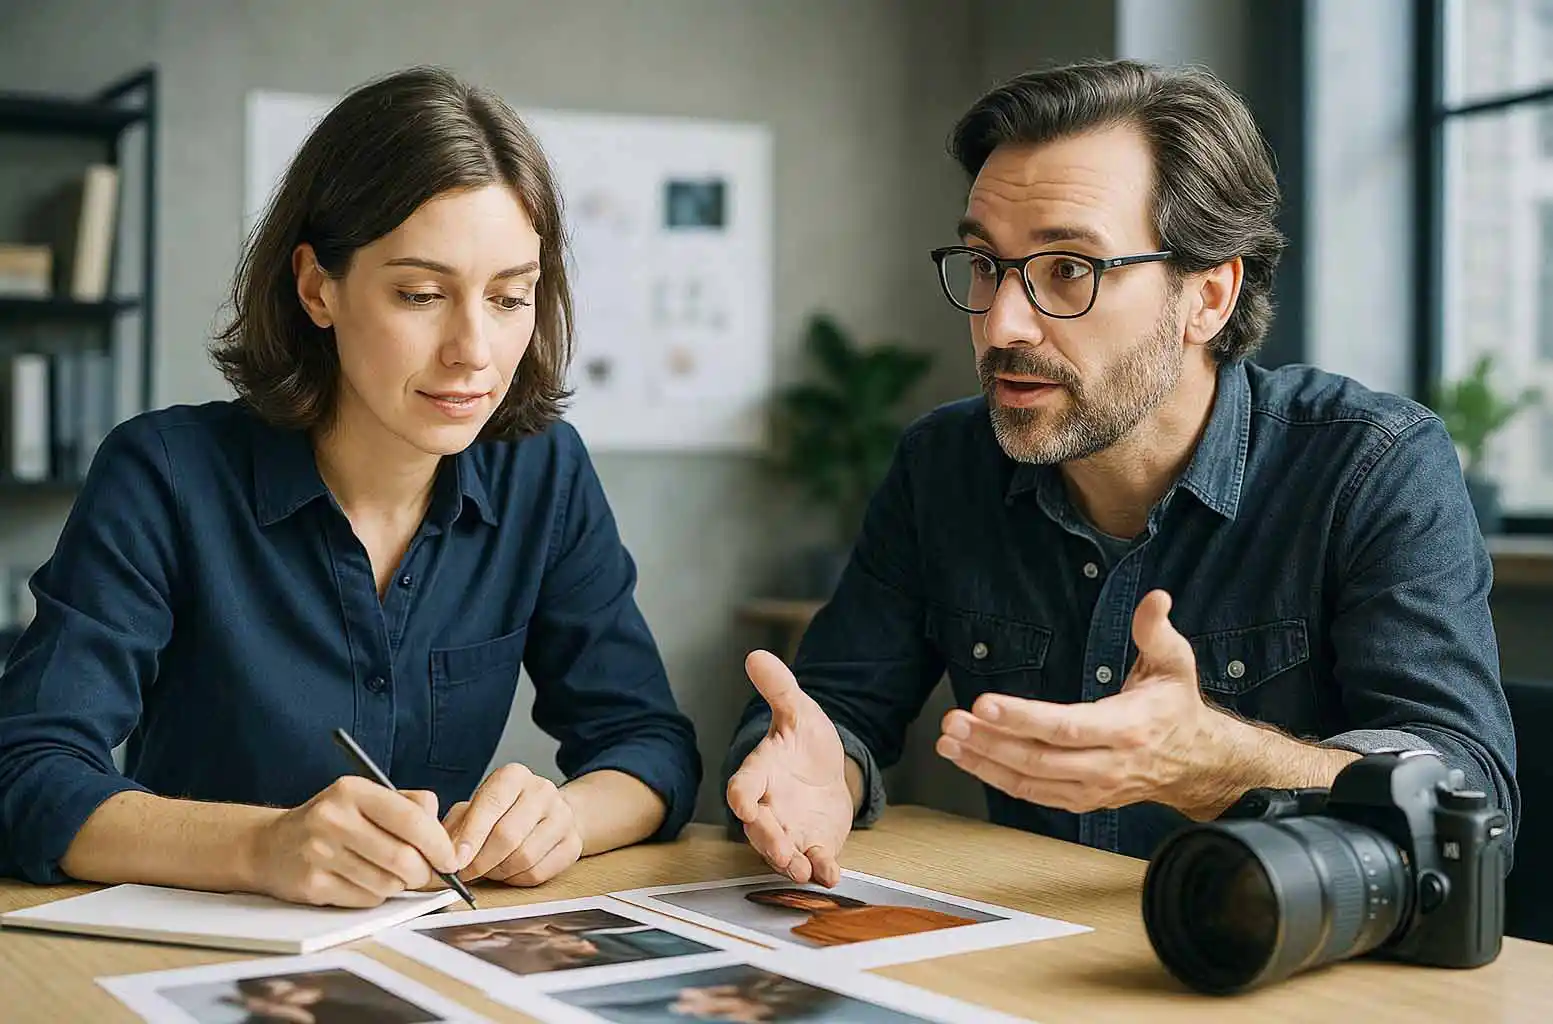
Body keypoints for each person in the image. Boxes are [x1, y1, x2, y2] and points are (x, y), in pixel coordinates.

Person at [723, 59, 1518, 885]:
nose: (1001, 323)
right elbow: (829, 712)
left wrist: (1216, 762)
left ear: (1207, 297)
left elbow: (1469, 799)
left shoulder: (1372, 464)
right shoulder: (944, 465)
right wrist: (812, 773)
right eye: (986, 264)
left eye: (1069, 268)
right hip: (1034, 965)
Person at [0, 67, 700, 905]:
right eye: (420, 294)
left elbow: (648, 745)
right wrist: (263, 846)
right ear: (316, 287)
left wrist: (562, 818)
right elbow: (26, 772)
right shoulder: (164, 474)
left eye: (511, 297)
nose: (473, 350)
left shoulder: (543, 473)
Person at [743, 887, 977, 946]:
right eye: (784, 903)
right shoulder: (811, 930)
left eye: (790, 896)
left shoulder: (881, 912)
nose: (794, 902)